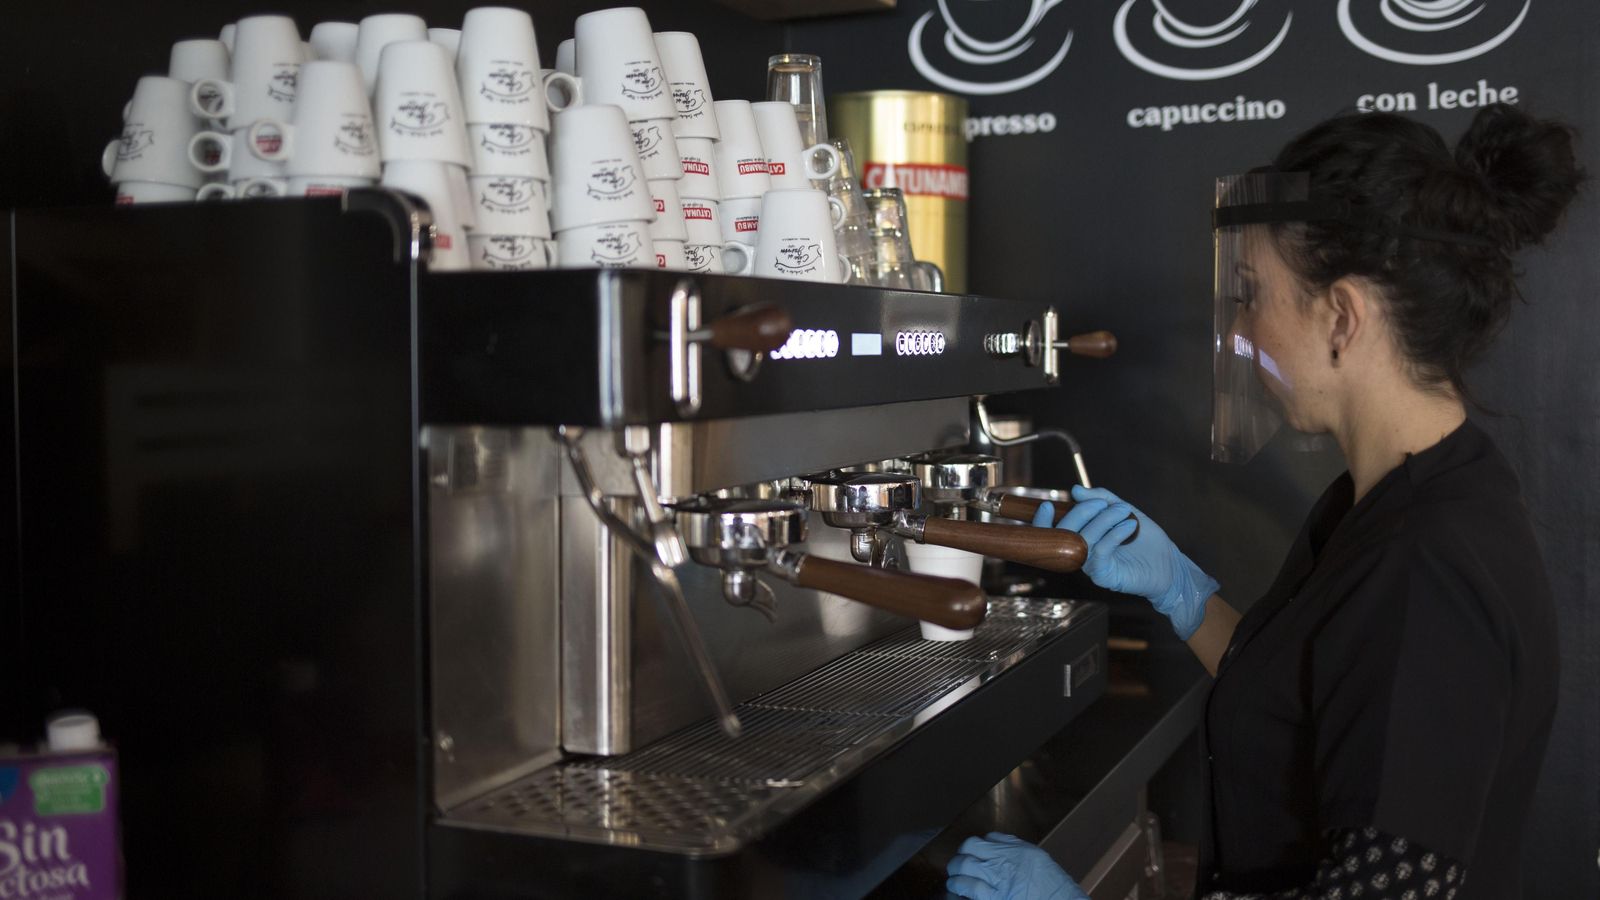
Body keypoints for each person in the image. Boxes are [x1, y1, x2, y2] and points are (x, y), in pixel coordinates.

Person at [945, 102, 1582, 900]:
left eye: (1252, 293)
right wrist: (1183, 591)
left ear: (1342, 317)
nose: (1241, 331)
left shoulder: (1427, 571)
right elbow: (1312, 702)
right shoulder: (1395, 496)